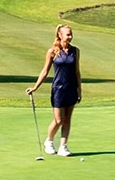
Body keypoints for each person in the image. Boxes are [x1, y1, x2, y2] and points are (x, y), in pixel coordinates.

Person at [27, 25, 81, 157]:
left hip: (71, 88)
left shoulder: (75, 51)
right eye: (67, 34)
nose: (70, 36)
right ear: (60, 36)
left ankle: (63, 146)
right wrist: (35, 87)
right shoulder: (52, 51)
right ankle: (49, 141)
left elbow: (77, 72)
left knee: (67, 119)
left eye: (71, 34)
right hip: (58, 88)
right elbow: (45, 71)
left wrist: (79, 89)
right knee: (58, 120)